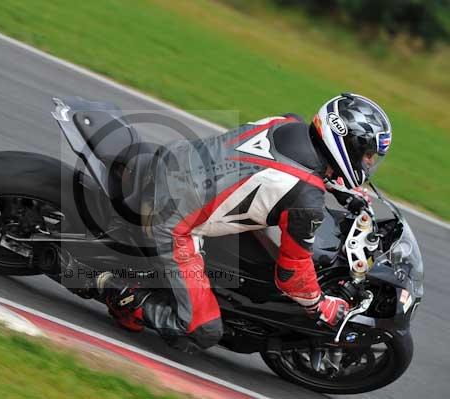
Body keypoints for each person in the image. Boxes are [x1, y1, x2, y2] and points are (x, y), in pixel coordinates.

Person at [94, 93, 392, 352]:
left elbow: (283, 169)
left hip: (173, 160)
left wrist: (339, 188)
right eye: (366, 155)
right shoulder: (306, 198)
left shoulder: (288, 123)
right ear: (345, 142)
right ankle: (118, 293)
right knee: (202, 329)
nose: (368, 164)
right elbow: (292, 277)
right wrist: (321, 305)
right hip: (170, 222)